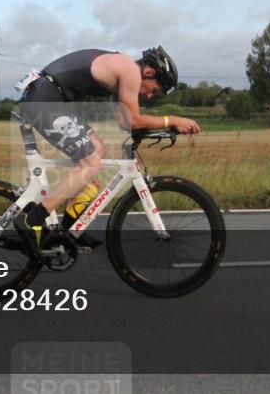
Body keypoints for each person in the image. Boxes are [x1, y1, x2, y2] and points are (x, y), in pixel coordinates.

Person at [12, 46, 200, 256]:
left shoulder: (121, 72)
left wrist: (131, 150)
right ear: (149, 73)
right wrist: (172, 120)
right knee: (90, 162)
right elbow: (134, 120)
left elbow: (124, 122)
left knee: (97, 150)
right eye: (153, 90)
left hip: (48, 97)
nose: (148, 96)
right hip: (45, 99)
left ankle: (72, 226)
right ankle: (31, 220)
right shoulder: (129, 70)